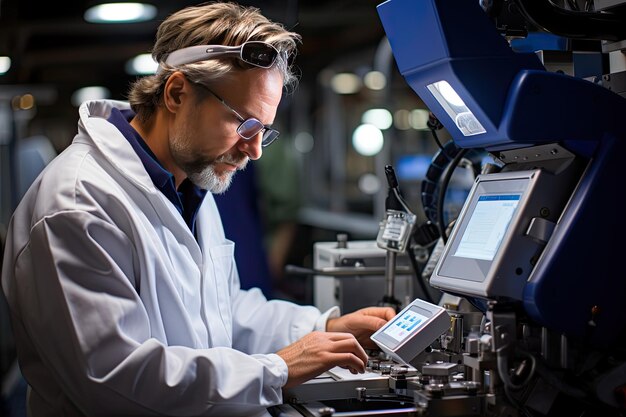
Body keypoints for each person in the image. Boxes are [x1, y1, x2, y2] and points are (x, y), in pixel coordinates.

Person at [0, 3, 396, 416]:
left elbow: (222, 313)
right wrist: (277, 369)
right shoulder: (79, 204)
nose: (255, 151)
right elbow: (116, 381)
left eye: (264, 131)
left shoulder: (187, 184)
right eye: (243, 125)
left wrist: (322, 330)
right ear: (176, 93)